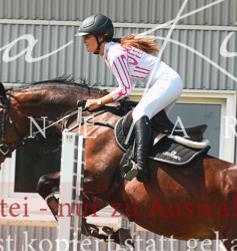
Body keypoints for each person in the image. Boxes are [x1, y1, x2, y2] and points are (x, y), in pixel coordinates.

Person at [77, 13, 183, 182]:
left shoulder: (114, 53)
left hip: (167, 81)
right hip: (167, 82)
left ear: (101, 37)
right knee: (151, 122)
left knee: (139, 113)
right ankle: (152, 161)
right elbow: (129, 84)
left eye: (87, 37)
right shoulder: (110, 51)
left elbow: (126, 88)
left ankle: (141, 166)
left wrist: (99, 102)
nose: (84, 41)